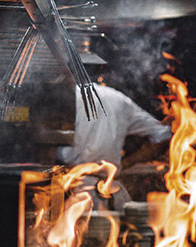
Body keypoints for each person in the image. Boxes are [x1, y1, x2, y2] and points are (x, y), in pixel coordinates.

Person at [56, 82, 171, 210]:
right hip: (109, 192)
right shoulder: (119, 100)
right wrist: (127, 163)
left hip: (69, 192)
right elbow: (164, 135)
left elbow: (43, 142)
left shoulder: (62, 98)